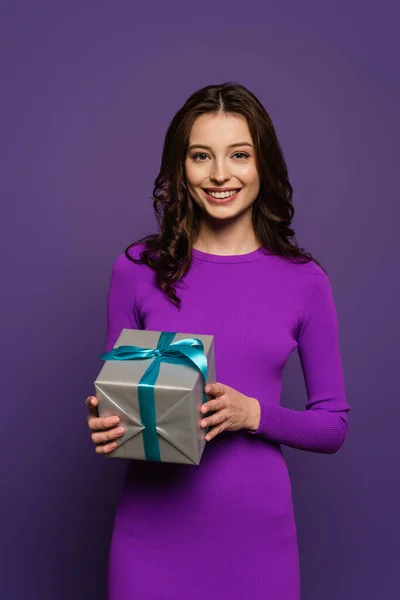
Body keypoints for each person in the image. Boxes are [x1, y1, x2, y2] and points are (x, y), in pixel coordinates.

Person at [85, 82, 350, 600]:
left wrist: (252, 413)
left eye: (239, 155)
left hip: (258, 542)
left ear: (262, 165)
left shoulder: (305, 281)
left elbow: (333, 425)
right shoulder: (137, 269)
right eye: (201, 155)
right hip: (150, 538)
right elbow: (116, 390)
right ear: (181, 167)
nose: (220, 174)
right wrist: (104, 418)